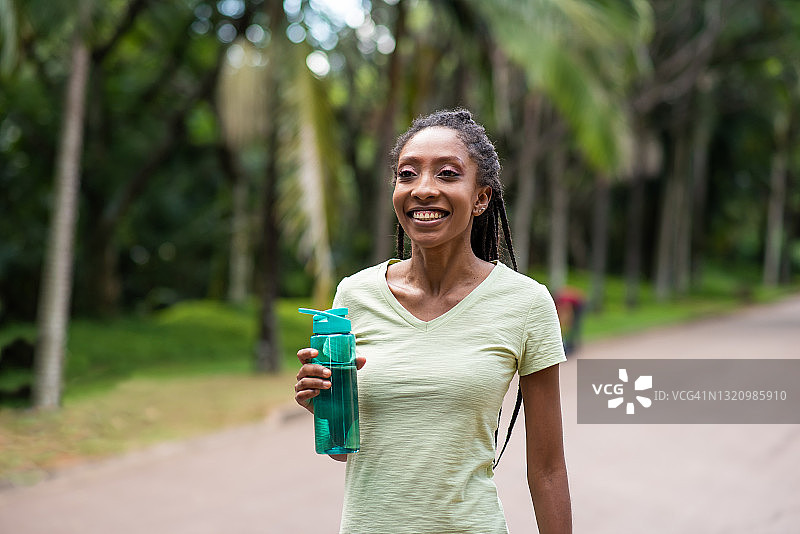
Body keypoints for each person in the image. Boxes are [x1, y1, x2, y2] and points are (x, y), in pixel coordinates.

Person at [294, 109, 571, 533]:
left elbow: (548, 470)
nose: (423, 189)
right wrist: (325, 408)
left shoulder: (525, 303)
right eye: (408, 174)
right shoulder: (354, 297)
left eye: (447, 174)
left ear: (481, 197)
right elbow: (346, 453)